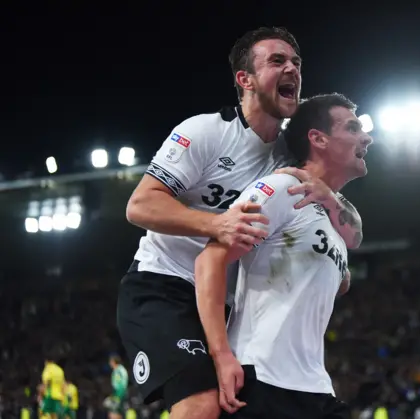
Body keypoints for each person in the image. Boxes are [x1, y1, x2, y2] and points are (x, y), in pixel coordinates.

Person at [117, 27, 364, 419]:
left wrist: (330, 206)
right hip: (164, 286)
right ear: (244, 79)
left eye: (297, 63)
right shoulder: (206, 132)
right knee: (201, 407)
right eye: (277, 61)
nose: (292, 69)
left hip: (224, 303)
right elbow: (140, 205)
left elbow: (350, 232)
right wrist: (216, 225)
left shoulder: (289, 157)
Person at [194, 93, 372, 418]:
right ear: (318, 139)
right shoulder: (281, 189)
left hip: (314, 388)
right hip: (263, 381)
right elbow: (210, 259)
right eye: (352, 128)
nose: (367, 137)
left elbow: (346, 265)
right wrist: (220, 356)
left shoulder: (332, 219)